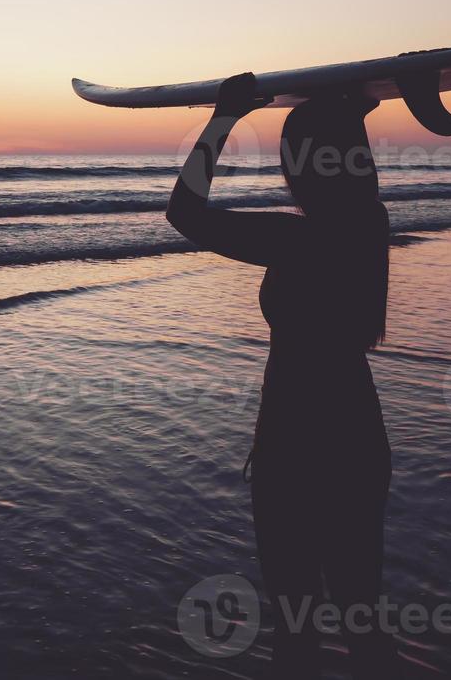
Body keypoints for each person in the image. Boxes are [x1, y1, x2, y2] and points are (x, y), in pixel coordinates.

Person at [167, 73, 399, 679]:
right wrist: (352, 116)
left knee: (297, 626)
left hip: (294, 447)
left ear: (302, 168)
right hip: (355, 434)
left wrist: (223, 121)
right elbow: (352, 176)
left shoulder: (298, 241)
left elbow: (183, 211)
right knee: (361, 616)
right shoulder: (368, 226)